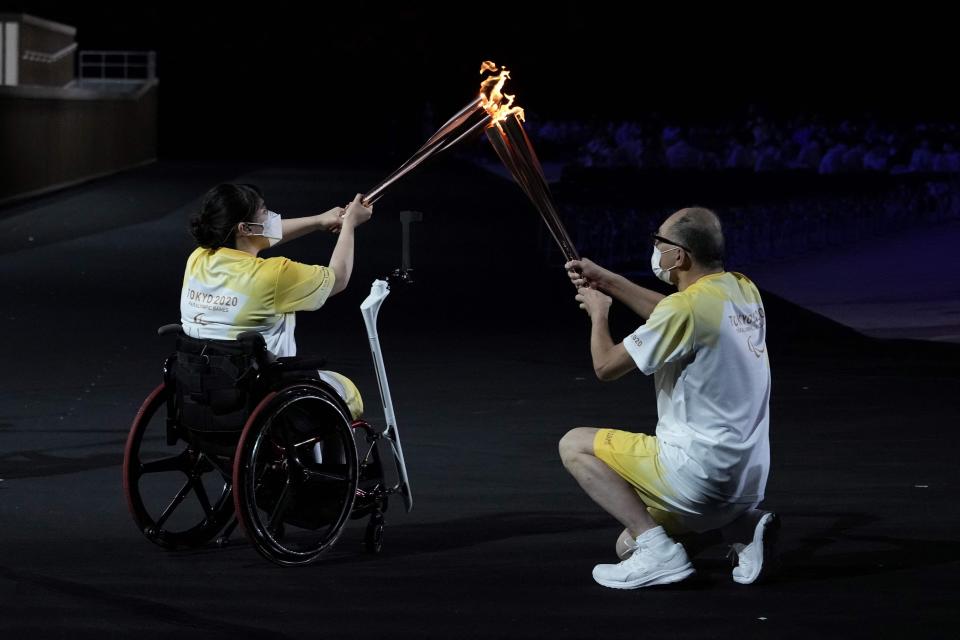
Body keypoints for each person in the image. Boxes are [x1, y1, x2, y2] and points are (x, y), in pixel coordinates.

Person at [559, 206, 777, 589]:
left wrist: (598, 313)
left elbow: (605, 367)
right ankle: (743, 524)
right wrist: (606, 280)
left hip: (700, 476)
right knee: (626, 545)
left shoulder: (686, 308)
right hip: (747, 480)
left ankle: (662, 555)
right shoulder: (742, 289)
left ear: (678, 255)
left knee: (575, 445)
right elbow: (671, 314)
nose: (655, 247)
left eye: (659, 241)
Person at [181, 183, 371, 418]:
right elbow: (338, 278)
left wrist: (319, 220)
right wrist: (350, 226)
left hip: (207, 387)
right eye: (264, 212)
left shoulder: (198, 258)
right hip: (264, 388)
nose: (271, 218)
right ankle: (320, 454)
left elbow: (262, 238)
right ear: (245, 228)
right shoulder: (273, 274)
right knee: (347, 393)